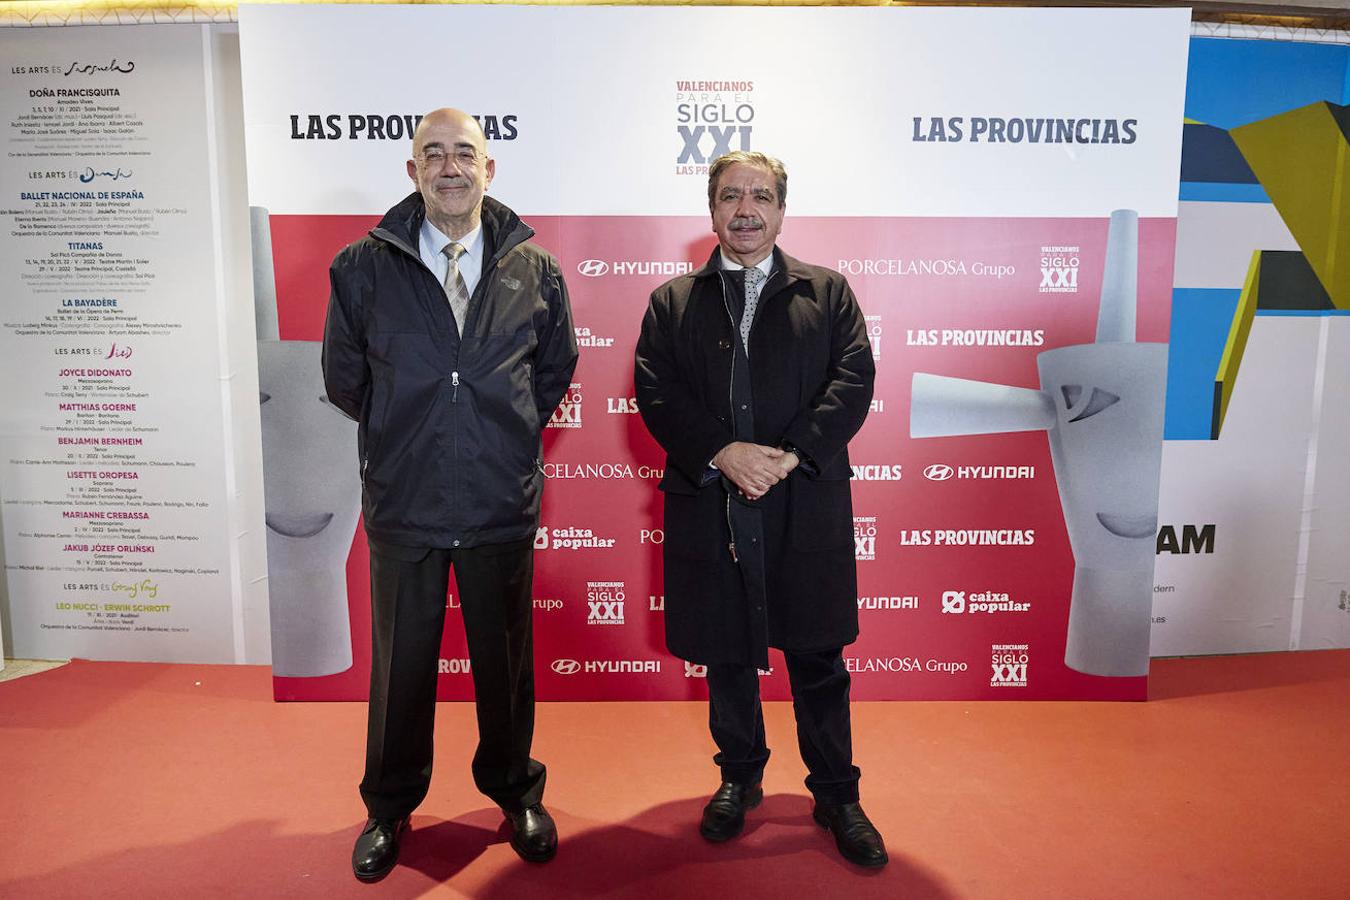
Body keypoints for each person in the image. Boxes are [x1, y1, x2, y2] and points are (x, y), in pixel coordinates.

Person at [322, 107, 578, 881]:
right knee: (401, 667)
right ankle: (389, 806)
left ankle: (514, 791)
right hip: (406, 501)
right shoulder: (362, 267)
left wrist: (490, 433)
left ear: (488, 169)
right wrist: (419, 432)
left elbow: (553, 372)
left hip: (499, 498)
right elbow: (345, 380)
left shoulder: (535, 269)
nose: (449, 167)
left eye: (464, 152)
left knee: (505, 663)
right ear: (412, 172)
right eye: (432, 154)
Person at [634, 151, 885, 867]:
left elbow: (853, 381)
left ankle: (838, 794)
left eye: (761, 196)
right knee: (726, 657)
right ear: (711, 209)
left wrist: (787, 454)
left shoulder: (828, 292)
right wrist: (722, 453)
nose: (746, 209)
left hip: (802, 496)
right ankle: (738, 780)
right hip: (711, 498)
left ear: (782, 209)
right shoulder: (671, 303)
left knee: (817, 657)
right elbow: (658, 395)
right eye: (731, 197)